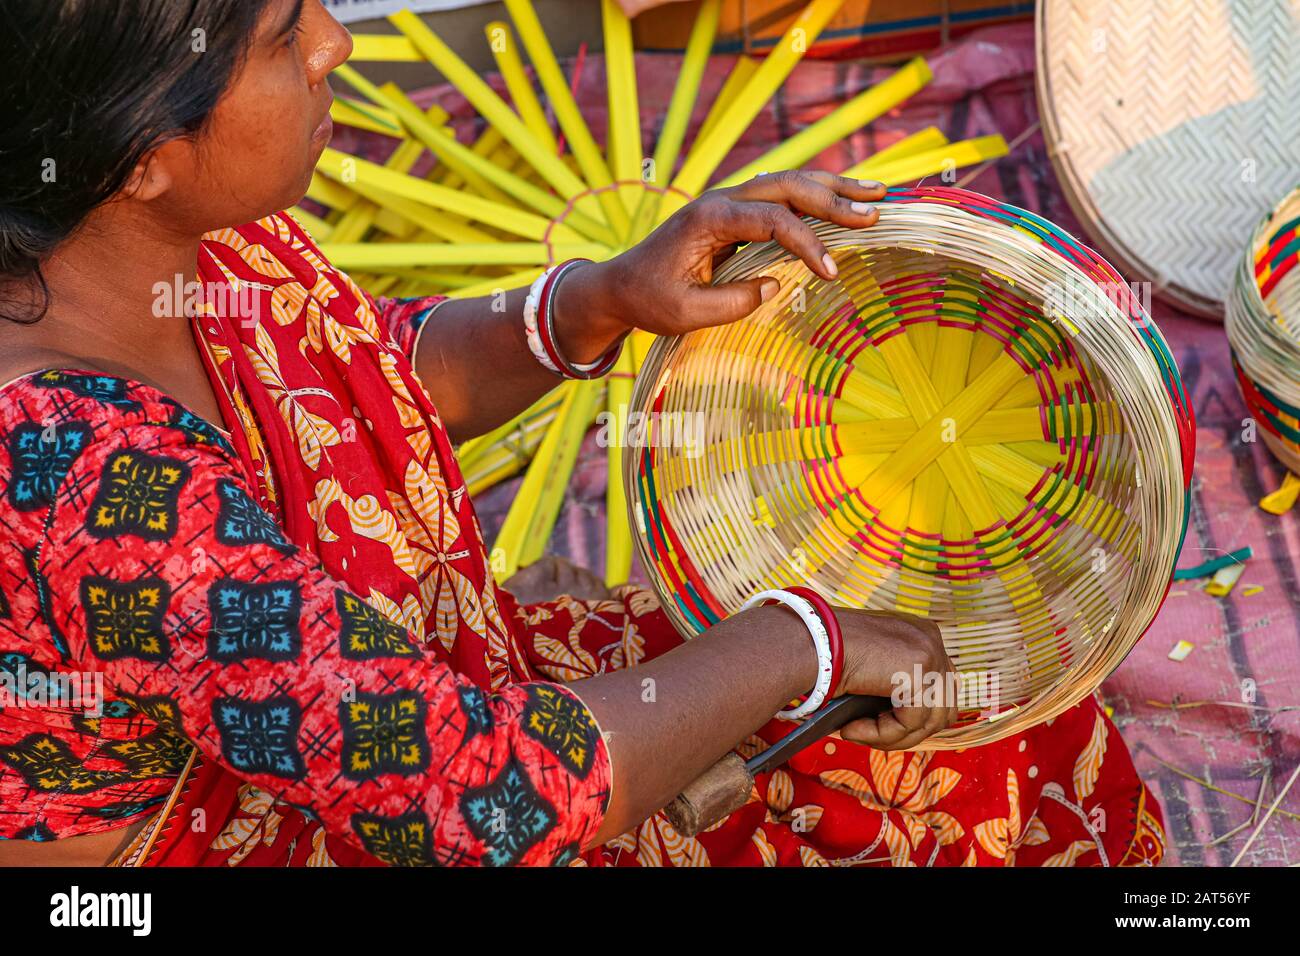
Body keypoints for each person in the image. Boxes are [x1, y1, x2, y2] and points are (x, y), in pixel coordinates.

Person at [0, 0, 1164, 867]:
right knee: (942, 777)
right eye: (279, 37)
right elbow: (481, 797)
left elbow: (363, 378)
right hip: (282, 828)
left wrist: (597, 301)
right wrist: (807, 641)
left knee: (969, 719)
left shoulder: (175, 248)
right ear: (143, 157)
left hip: (399, 718)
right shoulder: (83, 474)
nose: (332, 44)